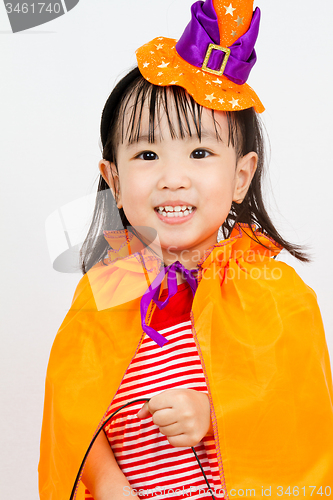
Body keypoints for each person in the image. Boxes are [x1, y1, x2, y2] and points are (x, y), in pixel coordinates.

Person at [38, 1, 333, 499]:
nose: (173, 179)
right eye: (147, 155)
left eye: (200, 153)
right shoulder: (109, 285)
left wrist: (215, 415)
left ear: (241, 176)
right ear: (114, 179)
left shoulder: (273, 291)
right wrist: (108, 483)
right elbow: (73, 406)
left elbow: (301, 411)